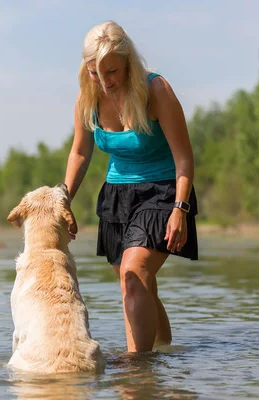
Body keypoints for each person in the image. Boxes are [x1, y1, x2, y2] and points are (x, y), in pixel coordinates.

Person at [64, 21, 199, 353]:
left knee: (132, 273)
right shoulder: (88, 97)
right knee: (139, 285)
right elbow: (80, 151)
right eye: (95, 73)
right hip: (117, 197)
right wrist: (63, 200)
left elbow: (184, 158)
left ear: (127, 62)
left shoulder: (156, 91)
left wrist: (180, 209)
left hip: (163, 192)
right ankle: (165, 354)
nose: (104, 81)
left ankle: (135, 372)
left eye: (111, 71)